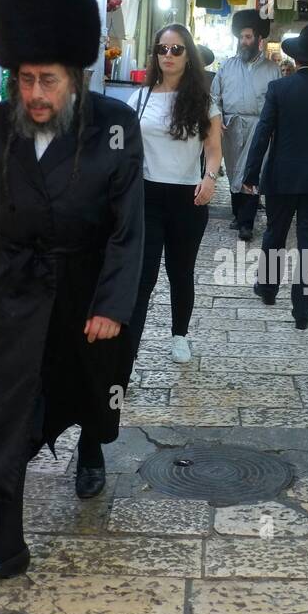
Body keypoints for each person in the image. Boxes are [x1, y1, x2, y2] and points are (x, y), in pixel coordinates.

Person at [0, 0, 144, 596]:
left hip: (87, 287)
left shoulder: (115, 125)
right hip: (15, 285)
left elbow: (127, 227)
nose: (35, 95)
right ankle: (7, 543)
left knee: (93, 386)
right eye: (26, 79)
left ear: (77, 79)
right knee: (6, 411)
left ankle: (92, 446)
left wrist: (113, 305)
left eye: (49, 81)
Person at [124, 23, 223, 367]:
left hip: (188, 198)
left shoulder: (203, 101)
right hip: (147, 197)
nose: (168, 55)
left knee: (180, 272)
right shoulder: (141, 97)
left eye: (176, 49)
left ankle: (179, 335)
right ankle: (129, 352)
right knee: (143, 277)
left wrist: (209, 178)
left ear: (188, 56)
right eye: (162, 49)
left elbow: (213, 149)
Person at [242, 24, 308, 329]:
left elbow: (263, 133)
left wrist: (251, 173)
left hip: (281, 176)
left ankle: (267, 289)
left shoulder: (279, 89)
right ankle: (304, 311)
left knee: (275, 234)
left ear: (297, 60)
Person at [211, 9, 276, 242]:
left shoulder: (271, 69)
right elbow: (213, 98)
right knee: (233, 171)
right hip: (230, 125)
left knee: (251, 171)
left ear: (259, 39)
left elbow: (277, 102)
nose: (244, 42)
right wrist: (217, 119)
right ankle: (238, 214)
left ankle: (246, 223)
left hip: (258, 127)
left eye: (248, 37)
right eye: (241, 37)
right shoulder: (226, 67)